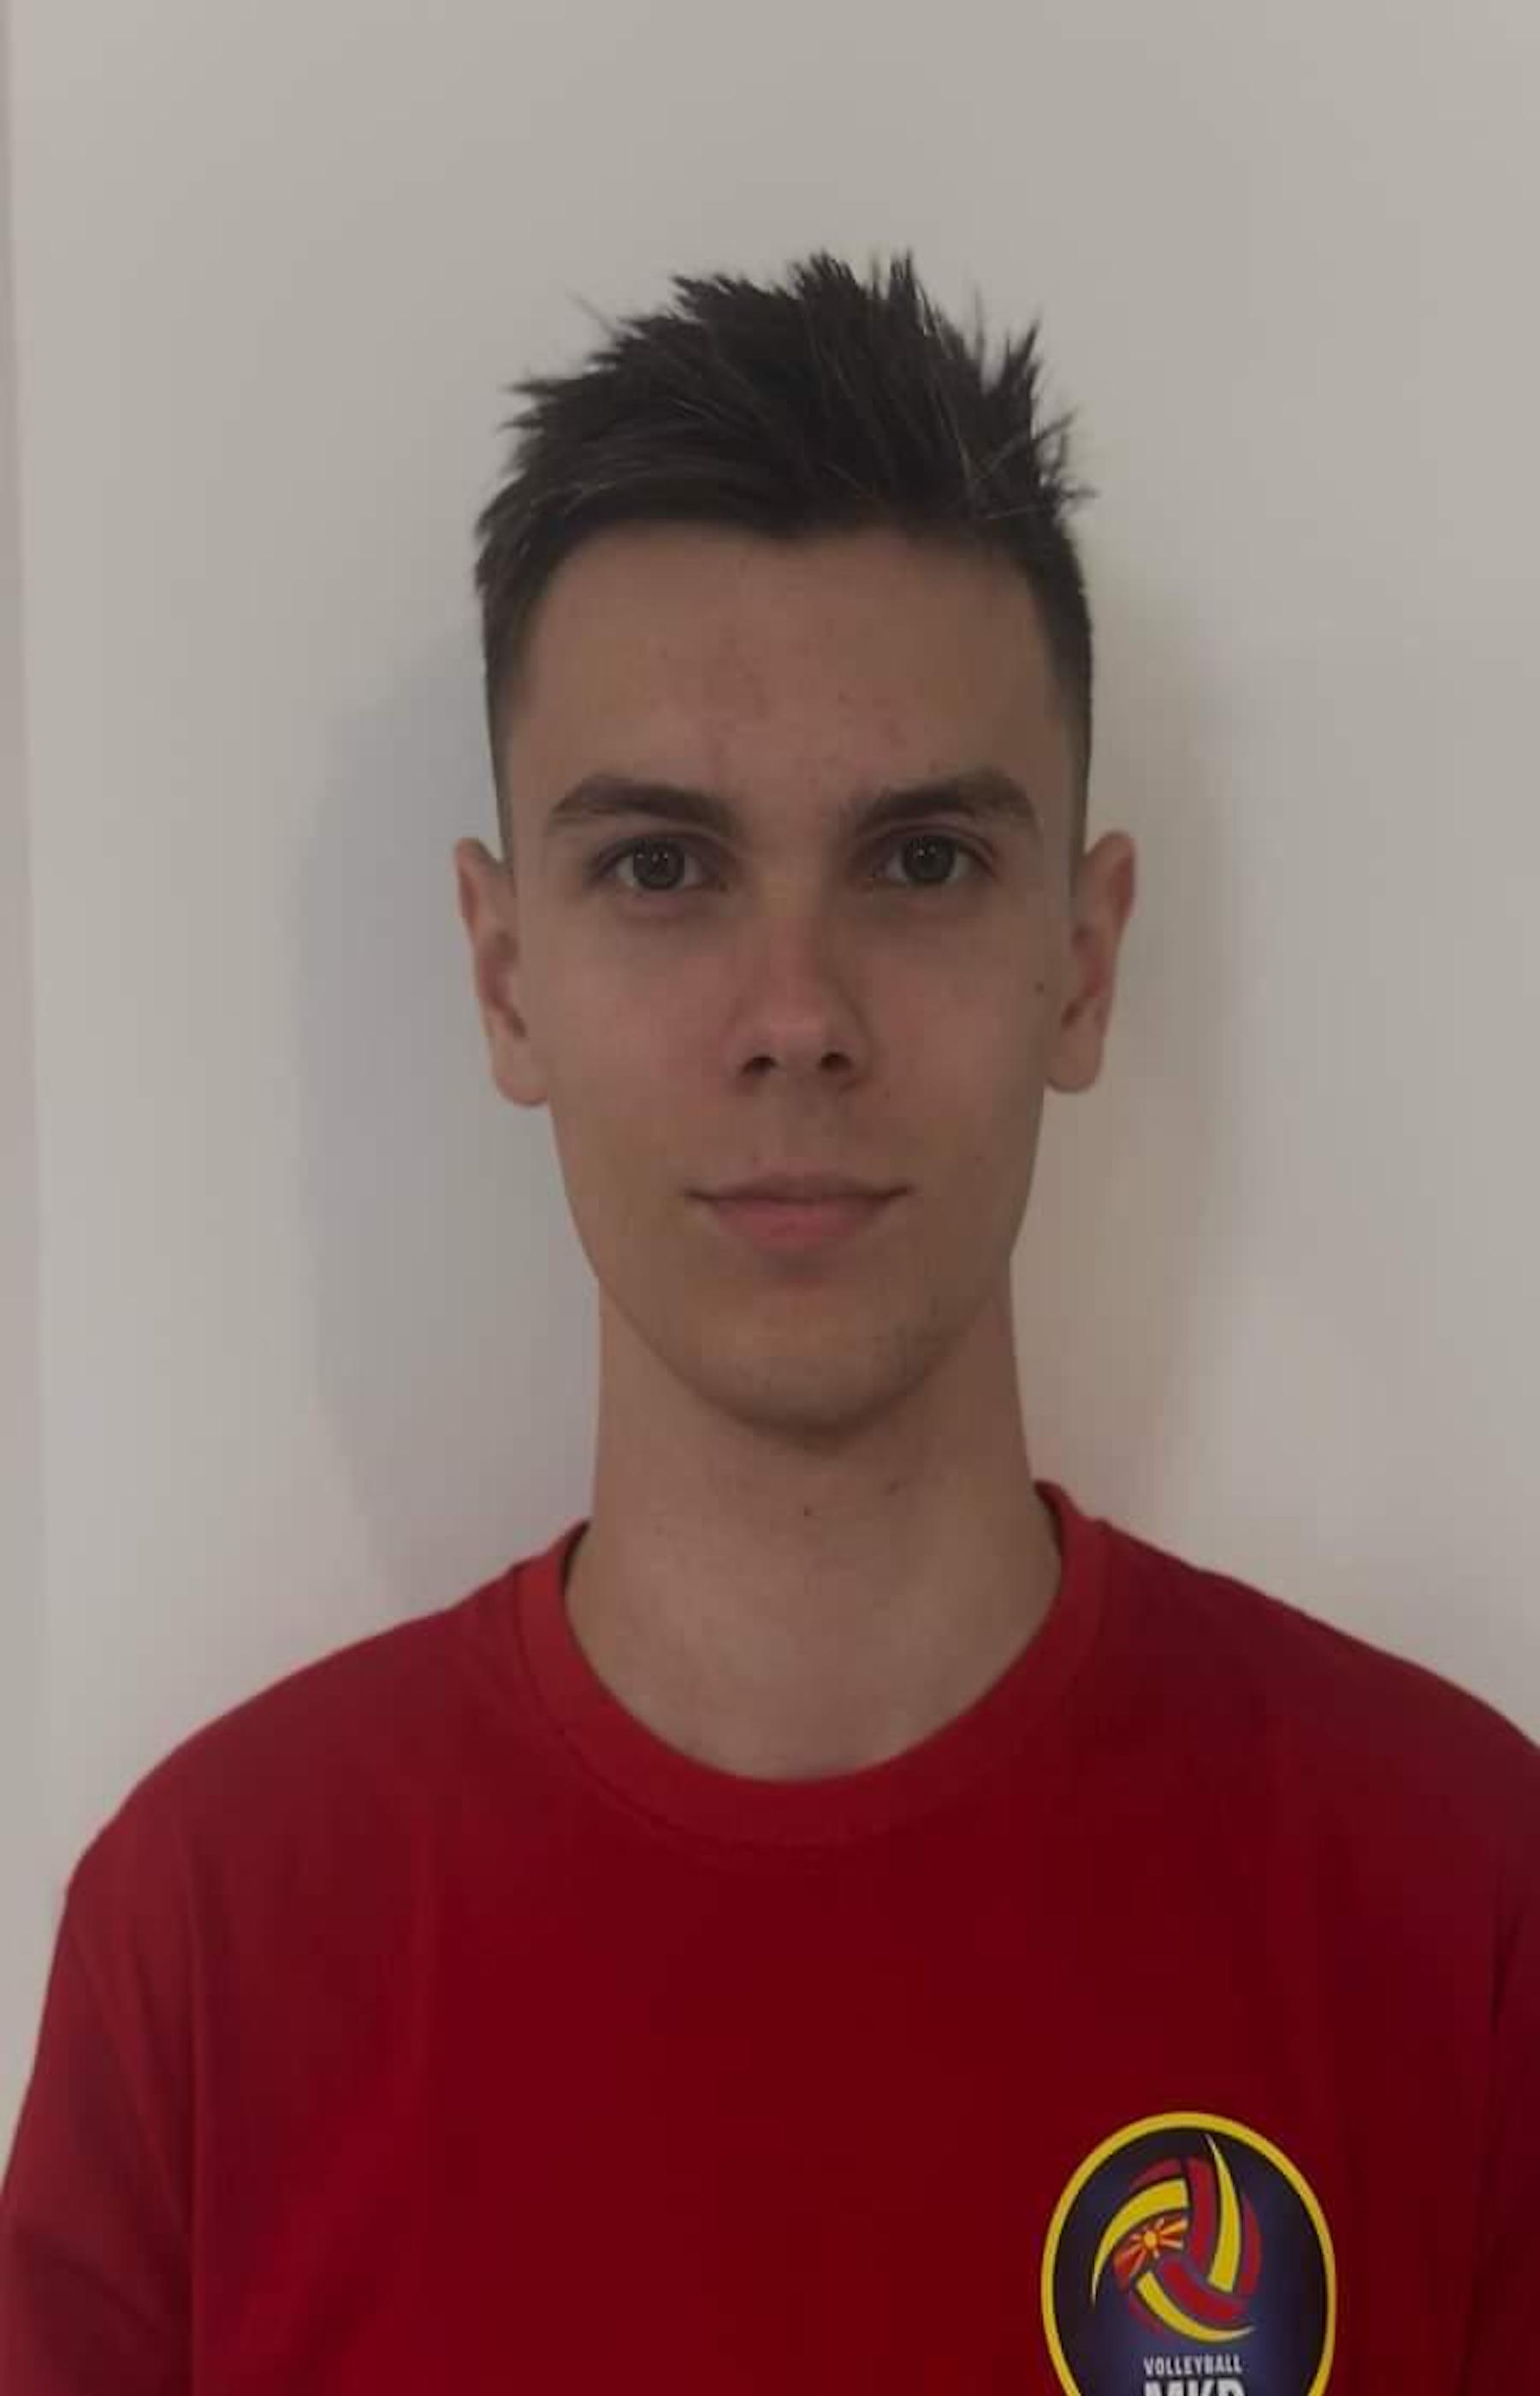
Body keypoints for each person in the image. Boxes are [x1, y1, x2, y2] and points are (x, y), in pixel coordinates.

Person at [1, 247, 1534, 2396]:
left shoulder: (1463, 1902)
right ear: (504, 972)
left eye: (921, 862)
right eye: (661, 866)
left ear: (1085, 959)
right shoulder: (202, 1945)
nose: (796, 1014)